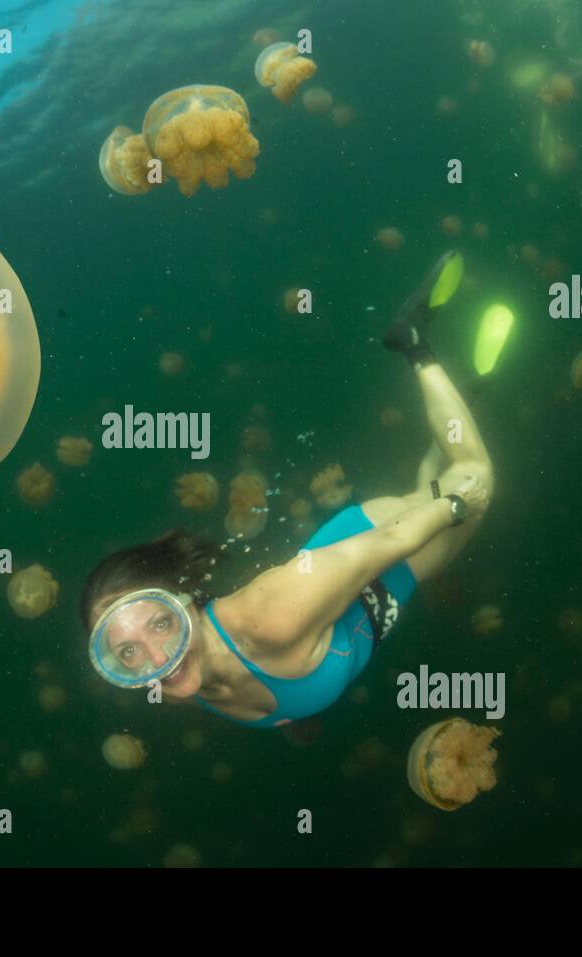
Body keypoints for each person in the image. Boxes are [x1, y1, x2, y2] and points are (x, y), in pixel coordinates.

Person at [82, 252, 494, 727]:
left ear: (184, 598)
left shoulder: (270, 618)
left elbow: (388, 543)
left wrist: (459, 504)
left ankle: (414, 343)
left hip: (383, 552)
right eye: (127, 650)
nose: (157, 658)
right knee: (431, 484)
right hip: (366, 593)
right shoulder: (175, 683)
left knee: (476, 473)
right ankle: (465, 398)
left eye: (159, 623)